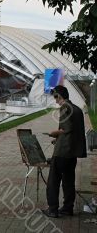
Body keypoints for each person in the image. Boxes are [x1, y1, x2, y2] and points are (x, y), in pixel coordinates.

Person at [43, 85, 87, 218]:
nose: (55, 101)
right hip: (72, 153)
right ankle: (68, 208)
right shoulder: (78, 110)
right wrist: (58, 139)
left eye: (55, 97)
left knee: (53, 181)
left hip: (62, 152)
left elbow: (66, 129)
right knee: (68, 181)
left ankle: (53, 209)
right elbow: (73, 131)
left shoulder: (64, 108)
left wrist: (53, 133)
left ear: (59, 96)